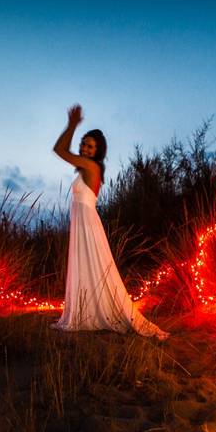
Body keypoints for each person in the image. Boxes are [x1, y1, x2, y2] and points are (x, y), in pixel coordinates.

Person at [50, 103, 169, 340]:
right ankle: (85, 311)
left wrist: (72, 125)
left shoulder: (90, 166)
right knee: (86, 264)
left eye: (90, 146)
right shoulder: (87, 167)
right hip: (83, 220)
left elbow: (59, 150)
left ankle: (96, 312)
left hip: (86, 220)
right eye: (84, 143)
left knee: (94, 264)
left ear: (97, 152)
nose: (84, 148)